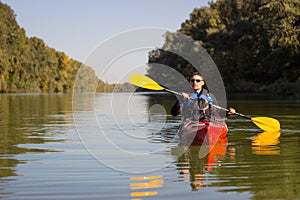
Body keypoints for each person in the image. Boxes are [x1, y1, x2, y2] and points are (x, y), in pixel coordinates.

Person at [171, 72, 235, 122]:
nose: (195, 82)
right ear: (190, 83)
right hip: (191, 123)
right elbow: (174, 113)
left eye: (198, 80)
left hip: (207, 123)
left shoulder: (209, 96)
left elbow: (218, 112)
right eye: (192, 81)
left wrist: (228, 112)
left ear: (202, 83)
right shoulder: (184, 96)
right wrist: (180, 100)